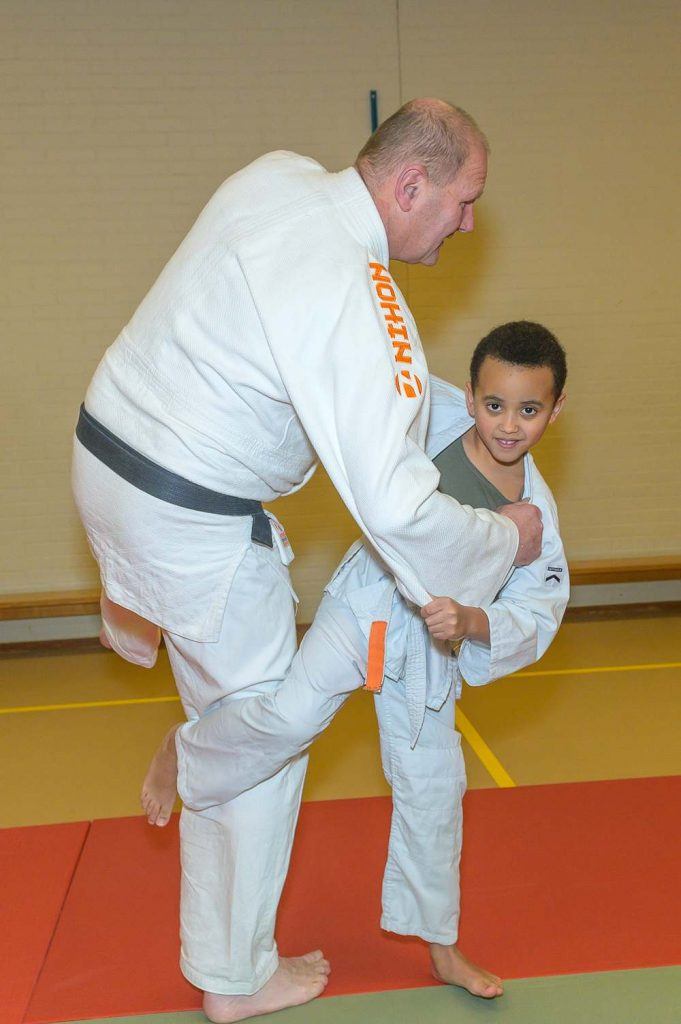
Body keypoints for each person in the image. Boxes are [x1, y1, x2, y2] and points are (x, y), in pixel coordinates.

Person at [72, 99, 543, 1022]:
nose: (469, 221)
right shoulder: (357, 298)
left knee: (246, 701)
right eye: (463, 199)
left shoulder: (277, 174)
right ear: (411, 185)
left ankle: (172, 667)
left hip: (110, 460)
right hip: (187, 518)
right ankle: (235, 975)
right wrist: (504, 538)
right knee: (264, 735)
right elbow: (397, 508)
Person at [148, 321, 569, 1009]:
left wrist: (471, 621)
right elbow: (360, 387)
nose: (508, 425)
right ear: (468, 396)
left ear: (554, 411)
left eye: (528, 410)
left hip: (429, 654)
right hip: (365, 605)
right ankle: (186, 751)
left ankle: (442, 950)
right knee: (288, 719)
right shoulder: (425, 417)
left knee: (434, 793)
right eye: (494, 405)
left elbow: (537, 615)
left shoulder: (536, 520)